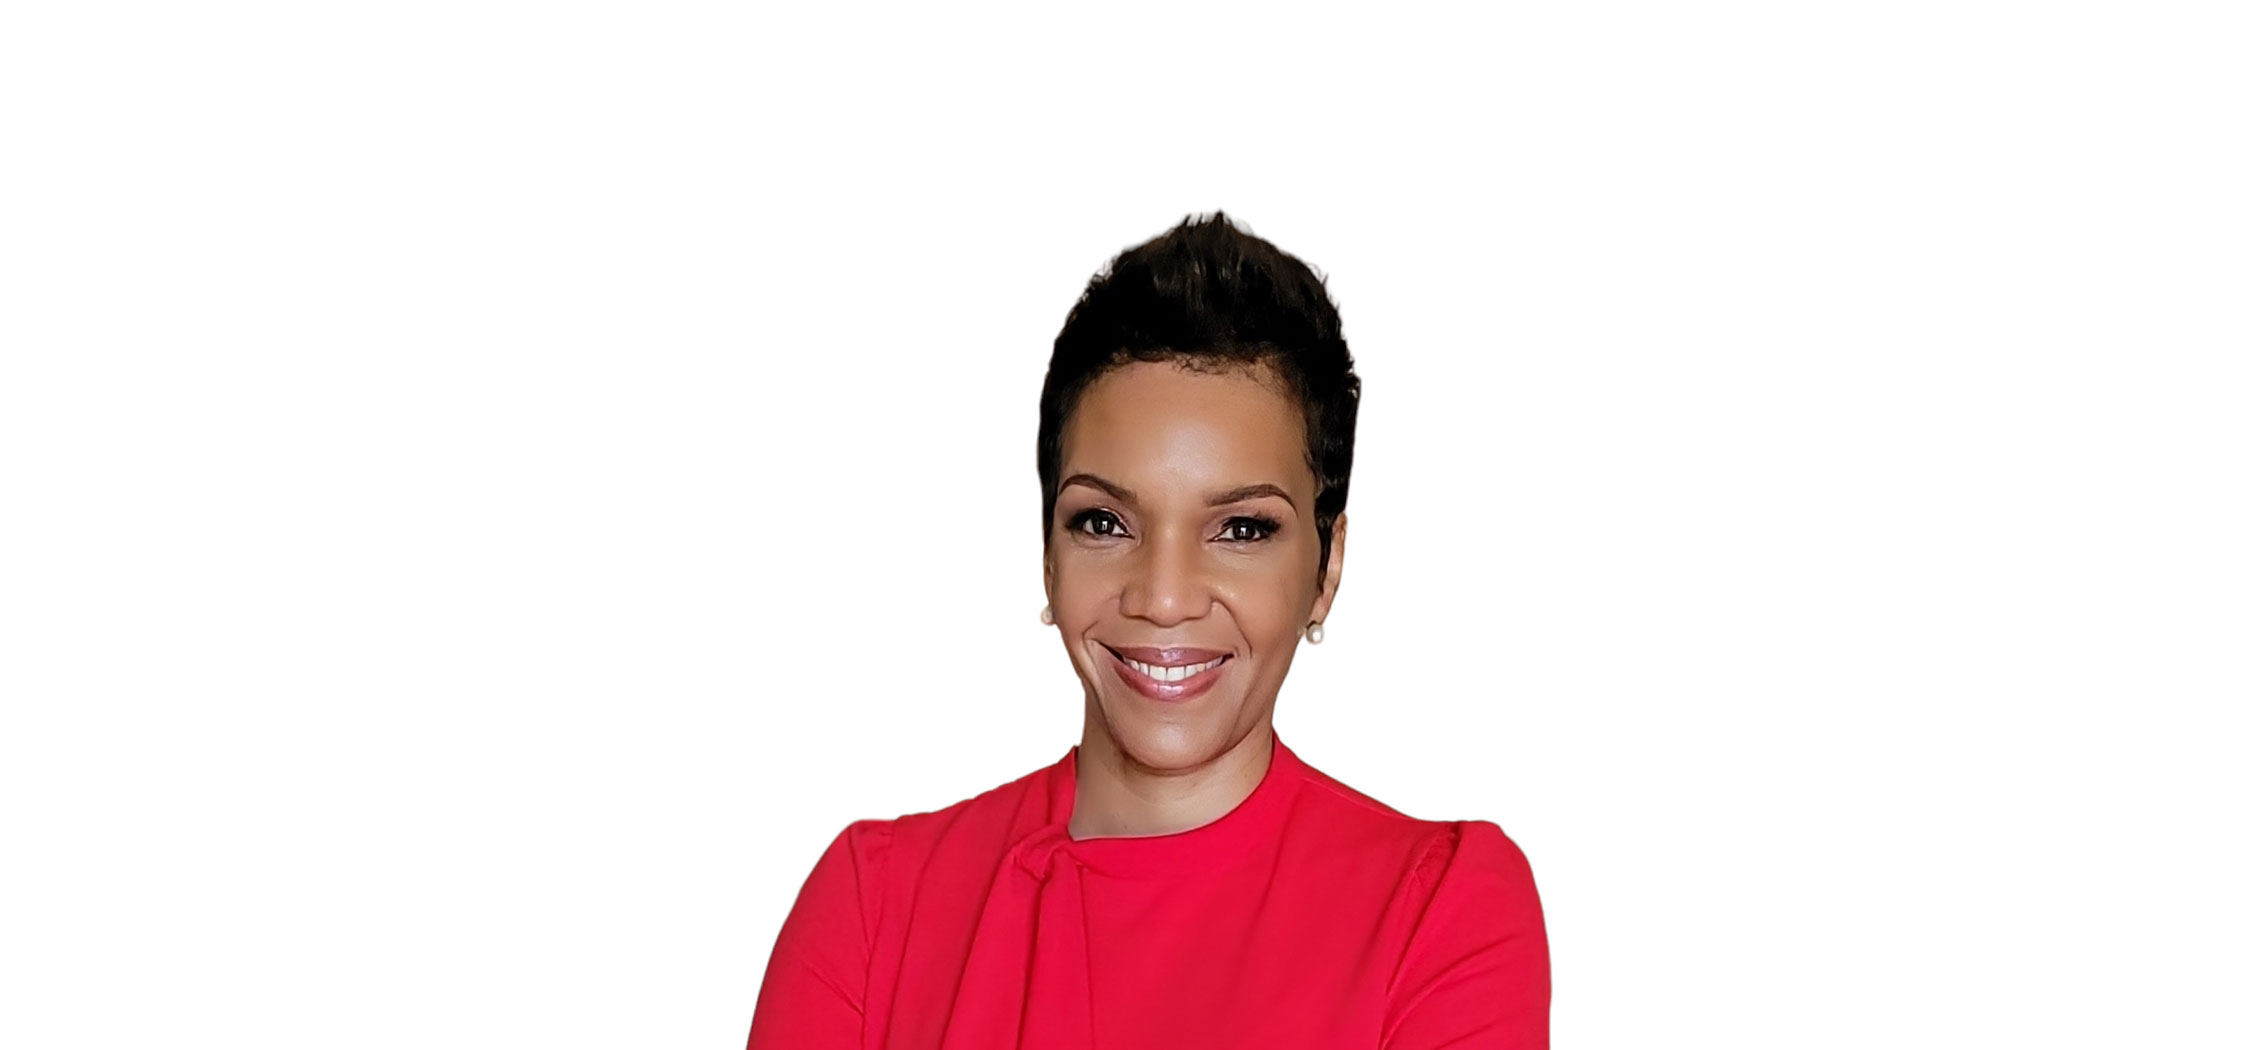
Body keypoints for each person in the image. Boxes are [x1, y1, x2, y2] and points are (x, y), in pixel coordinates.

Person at [745, 214, 1550, 1049]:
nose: (1163, 599)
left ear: (1327, 569)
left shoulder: (1440, 910)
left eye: (1241, 529)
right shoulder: (877, 910)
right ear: (1048, 554)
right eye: (1103, 522)